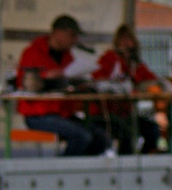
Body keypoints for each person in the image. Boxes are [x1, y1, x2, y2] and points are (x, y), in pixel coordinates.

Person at [16, 15, 108, 156]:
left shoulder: (69, 56)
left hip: (63, 113)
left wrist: (80, 83)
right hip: (38, 114)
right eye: (72, 35)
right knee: (82, 136)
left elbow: (68, 82)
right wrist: (46, 77)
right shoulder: (32, 52)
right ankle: (64, 170)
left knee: (102, 138)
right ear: (58, 33)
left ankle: (80, 168)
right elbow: (24, 84)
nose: (75, 40)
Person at [91, 24, 164, 154]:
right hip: (108, 114)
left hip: (127, 113)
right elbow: (98, 79)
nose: (126, 44)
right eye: (123, 40)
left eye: (129, 40)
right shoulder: (109, 58)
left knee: (153, 130)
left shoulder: (135, 63)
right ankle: (126, 163)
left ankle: (143, 158)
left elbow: (150, 80)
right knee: (127, 133)